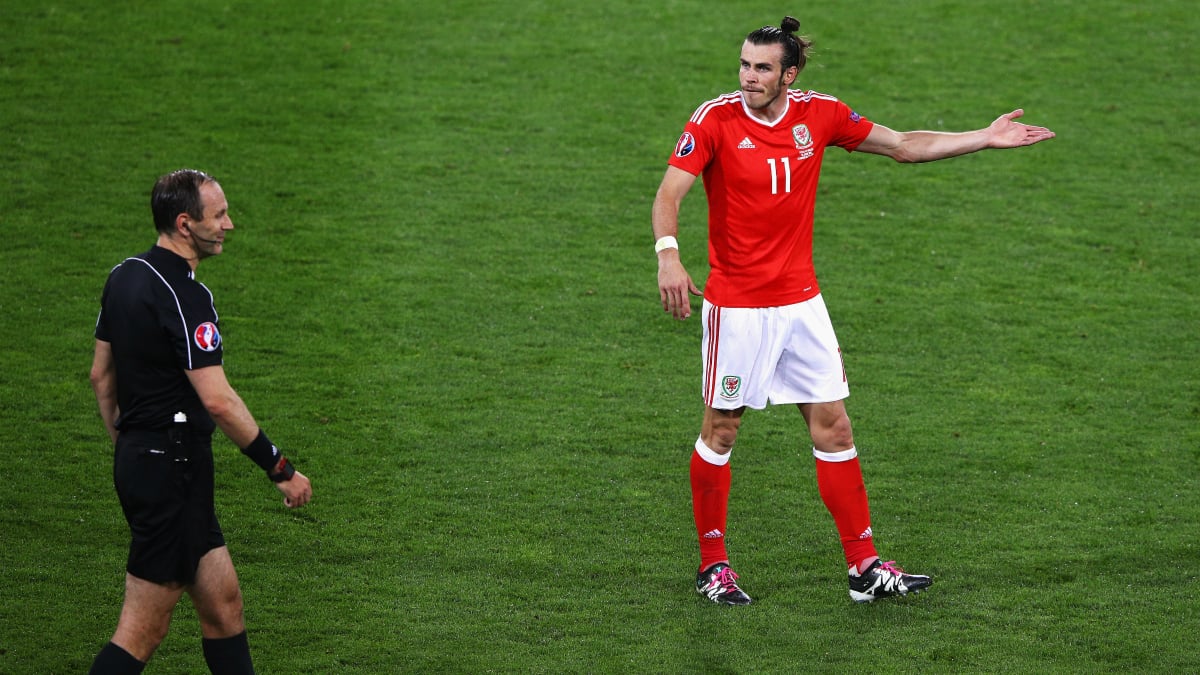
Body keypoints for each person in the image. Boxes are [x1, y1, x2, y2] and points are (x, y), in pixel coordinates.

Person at [653, 16, 1054, 605]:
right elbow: (669, 193)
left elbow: (904, 146)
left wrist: (983, 137)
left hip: (802, 304)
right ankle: (713, 565)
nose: (748, 77)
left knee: (834, 425)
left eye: (762, 68)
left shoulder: (821, 114)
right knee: (723, 428)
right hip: (738, 308)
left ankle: (864, 567)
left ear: (789, 74)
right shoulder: (714, 119)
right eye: (743, 64)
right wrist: (669, 255)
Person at [88, 169, 314, 672]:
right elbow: (218, 401)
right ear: (185, 224)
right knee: (141, 630)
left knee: (223, 606)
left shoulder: (123, 276)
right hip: (173, 468)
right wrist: (280, 468)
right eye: (219, 216)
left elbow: (101, 378)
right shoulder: (187, 297)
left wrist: (130, 446)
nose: (229, 225)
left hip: (151, 463)